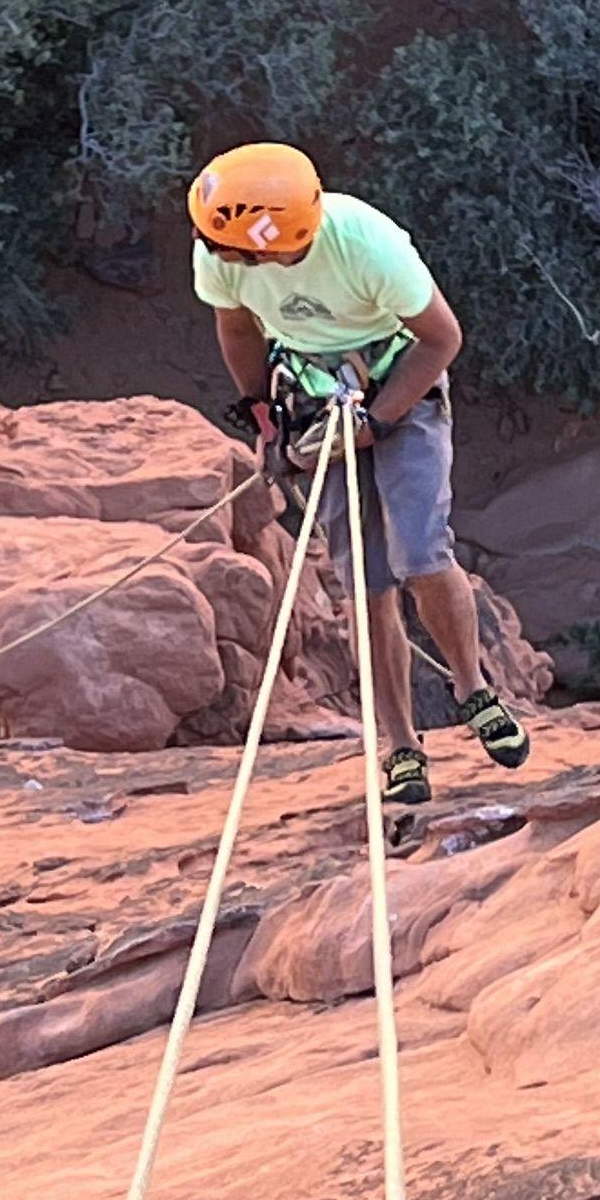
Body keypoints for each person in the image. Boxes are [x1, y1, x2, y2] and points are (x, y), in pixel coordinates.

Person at [187, 142, 526, 806]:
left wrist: (378, 420)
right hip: (314, 395)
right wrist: (263, 413)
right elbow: (238, 328)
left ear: (275, 241)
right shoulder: (220, 251)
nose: (217, 256)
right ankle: (400, 745)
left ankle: (473, 688)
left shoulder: (369, 246)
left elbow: (441, 339)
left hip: (400, 381)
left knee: (421, 552)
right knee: (364, 580)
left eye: (234, 249)